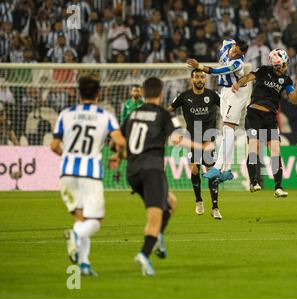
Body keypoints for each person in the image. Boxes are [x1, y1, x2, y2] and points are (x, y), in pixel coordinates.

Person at [120, 77, 208, 276]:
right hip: (152, 171)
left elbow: (116, 142)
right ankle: (144, 254)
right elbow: (177, 139)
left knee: (171, 203)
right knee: (154, 218)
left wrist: (118, 157)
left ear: (143, 93)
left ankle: (158, 236)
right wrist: (200, 147)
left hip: (132, 172)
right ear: (160, 93)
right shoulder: (161, 113)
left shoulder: (133, 113)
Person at [50, 74, 126, 276]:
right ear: (98, 94)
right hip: (90, 173)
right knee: (96, 220)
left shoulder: (65, 114)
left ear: (78, 93)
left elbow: (54, 145)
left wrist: (66, 155)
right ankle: (75, 235)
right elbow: (120, 141)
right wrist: (117, 156)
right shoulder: (105, 115)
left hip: (66, 173)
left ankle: (83, 263)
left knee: (81, 217)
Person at [232, 49, 297, 197]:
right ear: (276, 65)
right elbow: (248, 77)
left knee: (276, 151)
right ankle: (253, 182)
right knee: (254, 147)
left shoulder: (286, 80)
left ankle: (278, 187)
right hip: (254, 115)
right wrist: (238, 83)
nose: (285, 67)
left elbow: (294, 100)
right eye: (283, 65)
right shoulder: (264, 70)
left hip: (270, 119)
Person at [186, 38, 249, 182]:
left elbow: (216, 71)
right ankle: (226, 170)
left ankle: (217, 167)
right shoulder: (227, 44)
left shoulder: (237, 64)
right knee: (227, 130)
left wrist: (199, 66)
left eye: (238, 54)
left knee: (228, 129)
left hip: (237, 93)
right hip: (225, 91)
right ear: (233, 45)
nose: (234, 54)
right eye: (234, 50)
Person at [167, 69, 222, 219]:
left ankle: (215, 207)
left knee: (211, 171)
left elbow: (226, 106)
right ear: (192, 79)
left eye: (202, 77)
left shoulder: (213, 95)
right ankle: (198, 201)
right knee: (195, 169)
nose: (199, 79)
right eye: (196, 77)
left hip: (209, 137)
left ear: (205, 79)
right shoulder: (184, 96)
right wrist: (174, 127)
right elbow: (169, 110)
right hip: (193, 137)